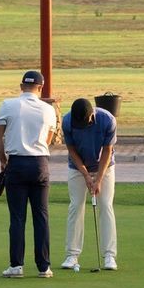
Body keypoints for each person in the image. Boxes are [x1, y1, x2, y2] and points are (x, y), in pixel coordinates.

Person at [0, 69, 59, 279]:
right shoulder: (48, 109)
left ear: (21, 86)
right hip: (40, 163)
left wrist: (3, 161)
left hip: (17, 163)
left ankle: (16, 266)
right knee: (41, 217)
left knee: (18, 217)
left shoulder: (8, 104)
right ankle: (44, 267)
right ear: (40, 88)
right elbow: (49, 138)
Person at [59, 97, 118, 271]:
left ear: (92, 115)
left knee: (105, 205)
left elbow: (107, 150)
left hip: (104, 167)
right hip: (77, 167)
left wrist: (98, 179)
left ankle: (109, 256)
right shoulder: (68, 121)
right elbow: (71, 150)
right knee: (75, 206)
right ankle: (72, 255)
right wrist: (85, 174)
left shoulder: (107, 120)